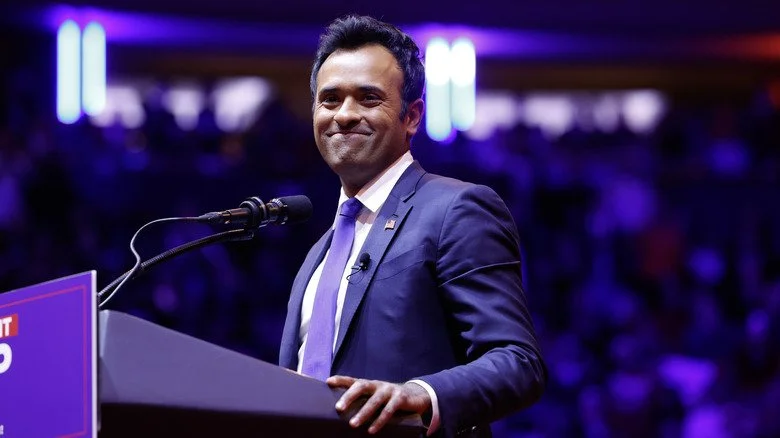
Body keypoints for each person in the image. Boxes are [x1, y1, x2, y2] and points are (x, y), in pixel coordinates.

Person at [278, 15, 546, 437]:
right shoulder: (319, 253)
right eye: (329, 100)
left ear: (412, 117)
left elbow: (517, 361)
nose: (344, 114)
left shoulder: (456, 208)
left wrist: (423, 394)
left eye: (368, 98)